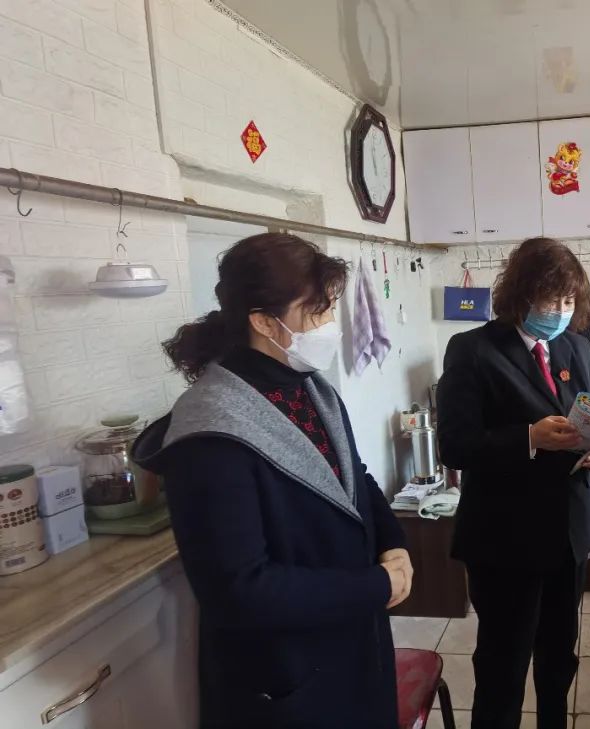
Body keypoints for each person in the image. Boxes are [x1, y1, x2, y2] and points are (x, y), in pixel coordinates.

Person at [133, 233, 412, 729]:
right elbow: (240, 590)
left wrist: (393, 543)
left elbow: (354, 478)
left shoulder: (310, 388)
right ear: (263, 321)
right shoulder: (211, 433)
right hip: (284, 678)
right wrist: (374, 585)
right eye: (318, 312)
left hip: (348, 644)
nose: (331, 326)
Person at [437, 237, 590, 729]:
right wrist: (529, 438)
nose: (560, 310)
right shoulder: (473, 350)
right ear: (520, 294)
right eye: (550, 299)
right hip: (505, 540)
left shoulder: (578, 347)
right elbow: (455, 446)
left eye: (569, 300)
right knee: (503, 666)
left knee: (559, 659)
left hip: (568, 533)